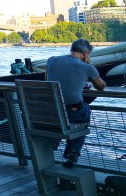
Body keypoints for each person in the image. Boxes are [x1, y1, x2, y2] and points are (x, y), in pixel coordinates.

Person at [46, 38, 106, 168]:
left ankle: (70, 152)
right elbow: (101, 86)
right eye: (88, 54)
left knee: (74, 119)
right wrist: (88, 67)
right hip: (72, 113)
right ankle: (73, 152)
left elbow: (52, 83)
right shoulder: (87, 67)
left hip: (52, 113)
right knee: (84, 113)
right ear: (85, 53)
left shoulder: (52, 60)